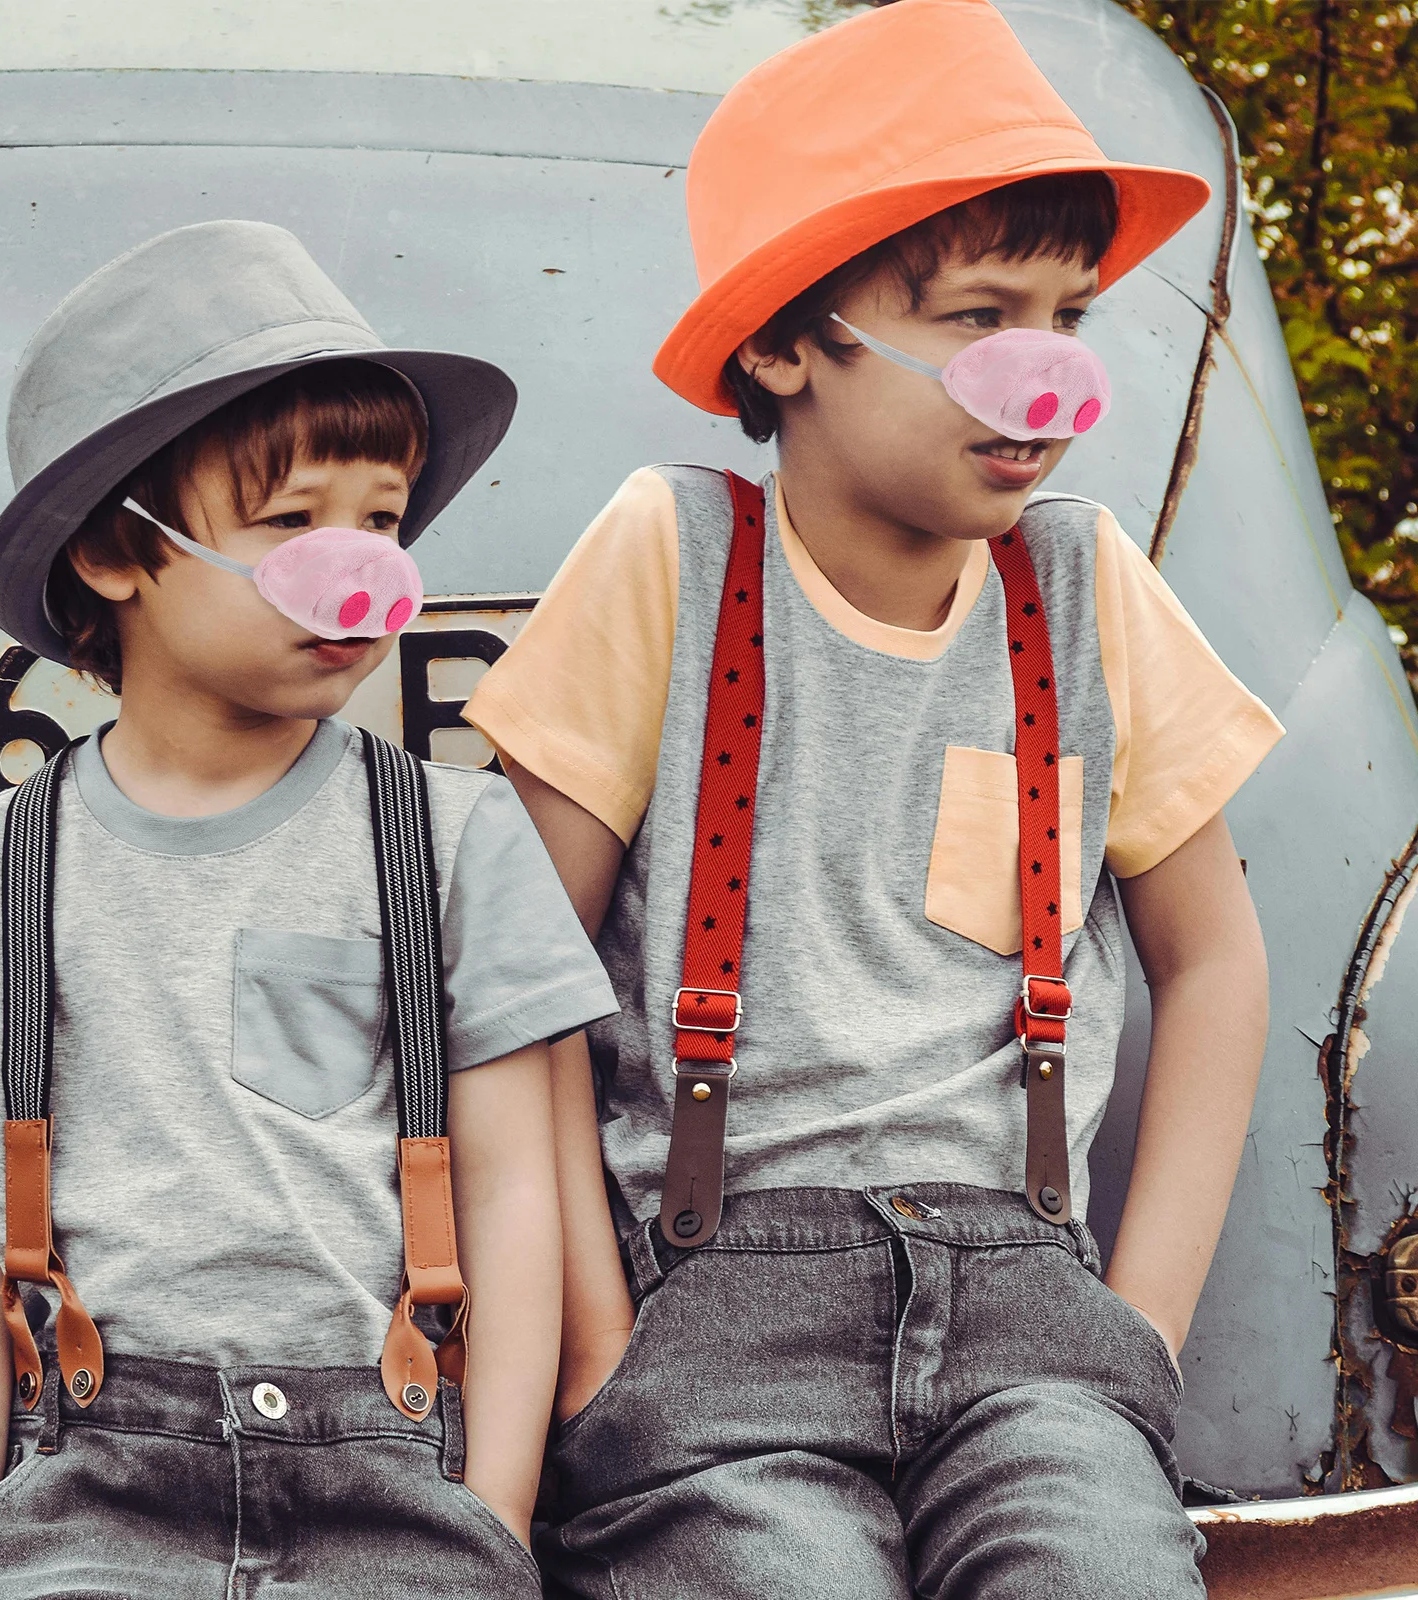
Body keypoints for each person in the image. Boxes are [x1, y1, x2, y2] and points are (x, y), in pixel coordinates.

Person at [463, 2, 1283, 1594]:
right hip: (723, 1330)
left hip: (1034, 1325)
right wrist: (595, 1361)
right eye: (983, 321)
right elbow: (512, 985)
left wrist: (1147, 1331)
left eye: (1068, 317)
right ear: (783, 344)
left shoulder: (1084, 582)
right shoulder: (673, 558)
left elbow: (1219, 961)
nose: (1040, 379)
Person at [0, 219, 616, 1599]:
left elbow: (508, 1193)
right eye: (290, 523)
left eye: (379, 519)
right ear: (116, 554)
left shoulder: (452, 840)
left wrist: (491, 1521)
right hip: (87, 1482)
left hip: (388, 1479)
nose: (360, 567)